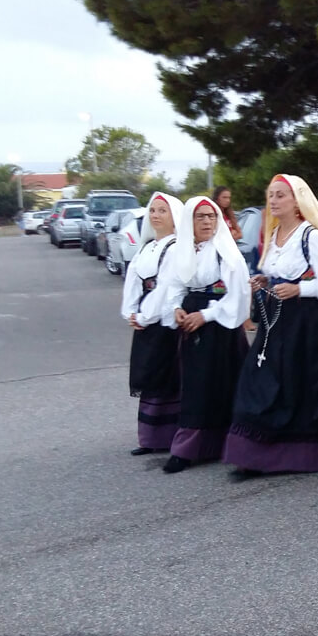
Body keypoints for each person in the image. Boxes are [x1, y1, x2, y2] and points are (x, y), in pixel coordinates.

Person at [222, 174, 318, 481]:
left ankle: (297, 453)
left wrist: (300, 290)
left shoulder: (310, 237)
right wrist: (266, 280)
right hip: (274, 318)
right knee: (260, 379)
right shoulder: (275, 235)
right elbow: (279, 274)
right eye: (271, 195)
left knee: (297, 385)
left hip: (306, 322)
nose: (274, 201)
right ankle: (252, 454)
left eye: (280, 195)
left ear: (296, 201)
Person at [160, 196, 251, 474]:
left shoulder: (226, 252)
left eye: (211, 216)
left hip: (220, 325)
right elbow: (174, 283)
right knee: (196, 386)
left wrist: (206, 315)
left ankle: (232, 445)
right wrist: (175, 307)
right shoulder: (181, 251)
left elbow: (237, 295)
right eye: (200, 217)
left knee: (225, 384)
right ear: (189, 221)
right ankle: (190, 447)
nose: (207, 222)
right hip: (191, 323)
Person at [122, 191, 184, 456]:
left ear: (175, 217)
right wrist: (131, 312)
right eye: (153, 211)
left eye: (163, 211)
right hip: (146, 322)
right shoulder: (147, 247)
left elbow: (166, 288)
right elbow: (134, 280)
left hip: (165, 323)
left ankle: (169, 436)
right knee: (148, 376)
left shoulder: (176, 248)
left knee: (165, 378)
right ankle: (149, 438)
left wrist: (145, 316)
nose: (156, 216)